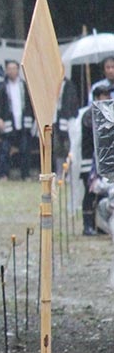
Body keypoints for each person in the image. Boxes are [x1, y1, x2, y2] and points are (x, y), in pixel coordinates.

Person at [0, 59, 35, 181]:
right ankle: (3, 174)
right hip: (9, 124)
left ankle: (25, 174)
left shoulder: (24, 86)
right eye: (9, 69)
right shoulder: (3, 88)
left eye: (14, 69)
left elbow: (32, 104)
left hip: (24, 123)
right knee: (5, 149)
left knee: (25, 149)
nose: (11, 71)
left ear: (18, 70)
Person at [80, 83, 111, 235]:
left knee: (104, 191)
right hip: (89, 159)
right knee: (90, 192)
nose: (107, 98)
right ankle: (87, 224)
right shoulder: (89, 115)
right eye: (104, 96)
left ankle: (100, 224)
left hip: (104, 158)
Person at [53, 75, 80, 177]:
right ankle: (60, 172)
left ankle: (69, 173)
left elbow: (71, 104)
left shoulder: (69, 86)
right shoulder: (52, 84)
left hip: (68, 121)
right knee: (57, 148)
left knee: (68, 147)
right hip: (56, 119)